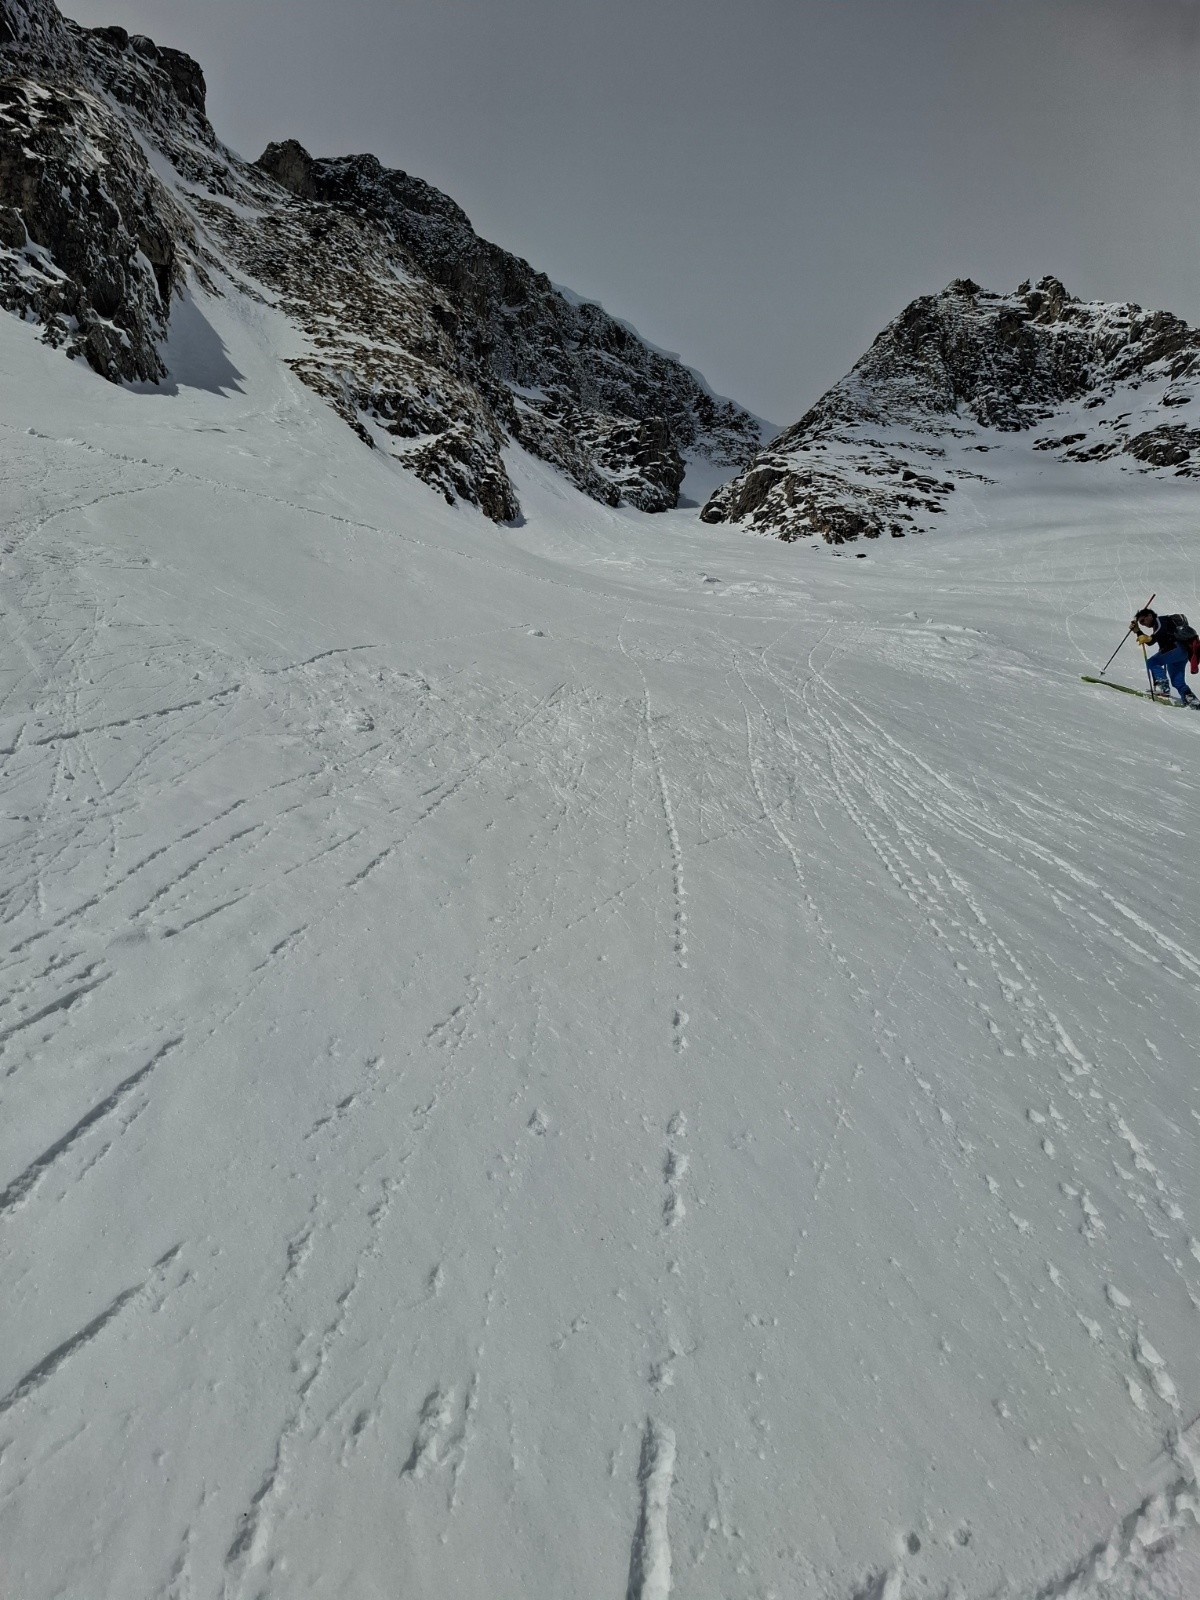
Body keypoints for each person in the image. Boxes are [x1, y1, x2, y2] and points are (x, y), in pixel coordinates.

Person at [1130, 608, 1200, 706]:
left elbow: (1158, 633)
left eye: (1142, 620)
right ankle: (1191, 699)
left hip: (1174, 648)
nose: (1143, 624)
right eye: (1140, 623)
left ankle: (1162, 687)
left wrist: (1148, 637)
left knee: (1152, 662)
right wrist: (1138, 631)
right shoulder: (1158, 626)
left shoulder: (1160, 620)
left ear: (1149, 616)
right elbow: (1150, 641)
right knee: (1177, 681)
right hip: (1182, 654)